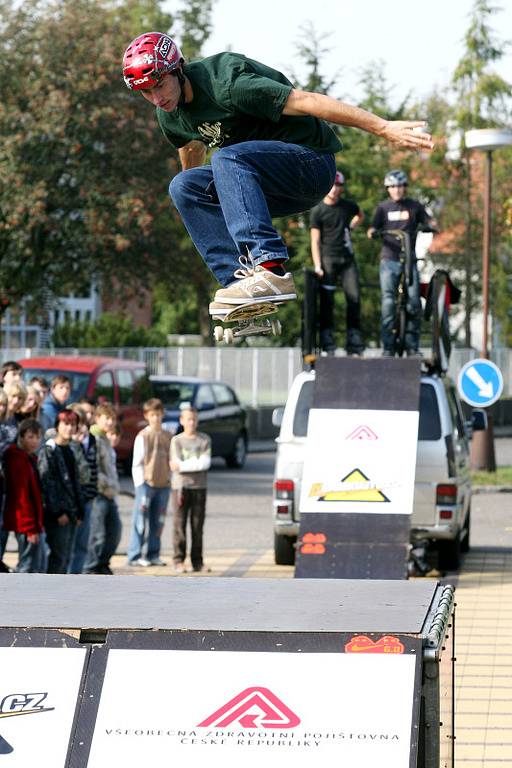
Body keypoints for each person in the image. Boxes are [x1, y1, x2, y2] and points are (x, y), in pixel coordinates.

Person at [122, 33, 434, 318]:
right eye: (146, 92)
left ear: (178, 69)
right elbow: (191, 147)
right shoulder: (169, 115)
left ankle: (270, 268)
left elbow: (308, 101)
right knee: (182, 187)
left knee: (228, 157)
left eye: (160, 85)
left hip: (310, 164)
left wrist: (383, 127)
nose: (157, 98)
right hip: (261, 185)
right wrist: (199, 204)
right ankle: (241, 285)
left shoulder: (227, 85)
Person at [367, 170, 435, 357]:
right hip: (389, 260)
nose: (396, 190)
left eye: (399, 186)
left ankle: (413, 347)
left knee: (414, 303)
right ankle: (388, 347)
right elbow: (372, 227)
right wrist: (373, 232)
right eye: (392, 187)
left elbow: (429, 220)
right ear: (388, 189)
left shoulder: (414, 206)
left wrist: (429, 225)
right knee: (388, 302)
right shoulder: (383, 208)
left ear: (404, 187)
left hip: (409, 261)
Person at [310, 170, 365, 355]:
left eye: (338, 186)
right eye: (331, 186)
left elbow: (360, 215)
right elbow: (314, 241)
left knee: (354, 297)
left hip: (348, 259)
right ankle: (327, 338)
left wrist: (352, 227)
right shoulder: (318, 211)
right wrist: (318, 265)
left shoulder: (348, 206)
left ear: (341, 188)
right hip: (328, 260)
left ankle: (354, 336)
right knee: (327, 300)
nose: (334, 190)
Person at [38, 410, 85, 573]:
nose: (69, 428)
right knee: (57, 557)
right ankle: (51, 595)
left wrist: (79, 511)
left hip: (72, 512)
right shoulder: (49, 450)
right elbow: (47, 483)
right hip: (58, 515)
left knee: (66, 558)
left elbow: (75, 482)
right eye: (66, 424)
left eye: (73, 424)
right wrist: (58, 512)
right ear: (57, 426)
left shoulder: (71, 450)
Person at [127, 398, 172, 568]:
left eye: (159, 415)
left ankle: (154, 553)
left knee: (158, 521)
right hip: (146, 484)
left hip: (163, 485)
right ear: (147, 416)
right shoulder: (143, 436)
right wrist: (140, 484)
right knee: (140, 520)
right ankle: (135, 554)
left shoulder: (168, 435)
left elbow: (171, 460)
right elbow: (137, 463)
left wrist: (170, 480)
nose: (156, 418)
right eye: (153, 415)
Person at [170, 405, 211, 573]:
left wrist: (183, 465)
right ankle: (178, 560)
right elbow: (174, 464)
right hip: (180, 487)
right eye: (188, 419)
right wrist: (194, 464)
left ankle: (197, 562)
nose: (191, 422)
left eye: (194, 419)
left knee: (197, 526)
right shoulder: (177, 440)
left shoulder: (204, 440)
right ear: (182, 420)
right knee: (179, 524)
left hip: (199, 487)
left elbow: (205, 463)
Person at [83, 403, 122, 575]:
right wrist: (106, 485)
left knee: (115, 531)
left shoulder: (105, 439)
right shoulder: (94, 439)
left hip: (110, 493)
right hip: (99, 494)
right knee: (97, 534)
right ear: (97, 418)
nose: (110, 422)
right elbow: (94, 469)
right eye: (107, 418)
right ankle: (91, 566)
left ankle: (103, 563)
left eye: (112, 419)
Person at [2, 419, 45, 573]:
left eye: (37, 437)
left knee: (34, 564)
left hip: (31, 522)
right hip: (24, 523)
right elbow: (21, 496)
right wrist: (30, 528)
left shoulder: (29, 458)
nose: (34, 441)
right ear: (21, 437)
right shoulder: (16, 458)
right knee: (26, 565)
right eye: (30, 437)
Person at [67, 403, 98, 574]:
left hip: (87, 497)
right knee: (69, 544)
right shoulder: (70, 444)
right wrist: (77, 445)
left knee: (82, 543)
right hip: (72, 500)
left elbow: (92, 471)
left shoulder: (89, 439)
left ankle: (77, 575)